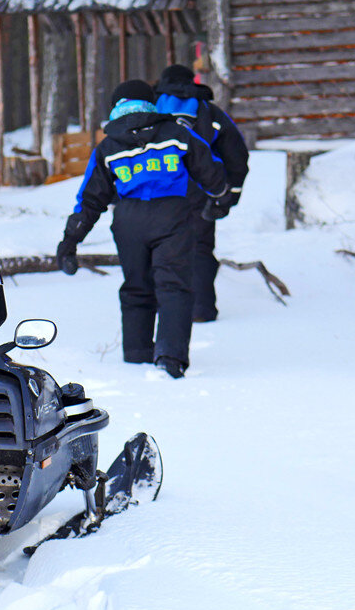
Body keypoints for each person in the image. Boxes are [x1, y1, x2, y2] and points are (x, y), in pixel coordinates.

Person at [56, 79, 229, 378]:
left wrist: (70, 240)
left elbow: (90, 198)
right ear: (151, 103)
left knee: (136, 287)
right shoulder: (177, 133)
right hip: (172, 215)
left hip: (128, 220)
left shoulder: (108, 146)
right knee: (173, 285)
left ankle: (136, 355)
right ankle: (170, 358)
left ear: (117, 107)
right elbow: (210, 169)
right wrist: (218, 195)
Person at [153, 64, 249, 323]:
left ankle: (163, 312)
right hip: (202, 191)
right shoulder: (210, 112)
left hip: (155, 193)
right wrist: (230, 194)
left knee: (160, 250)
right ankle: (201, 311)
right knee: (200, 250)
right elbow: (237, 154)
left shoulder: (149, 109)